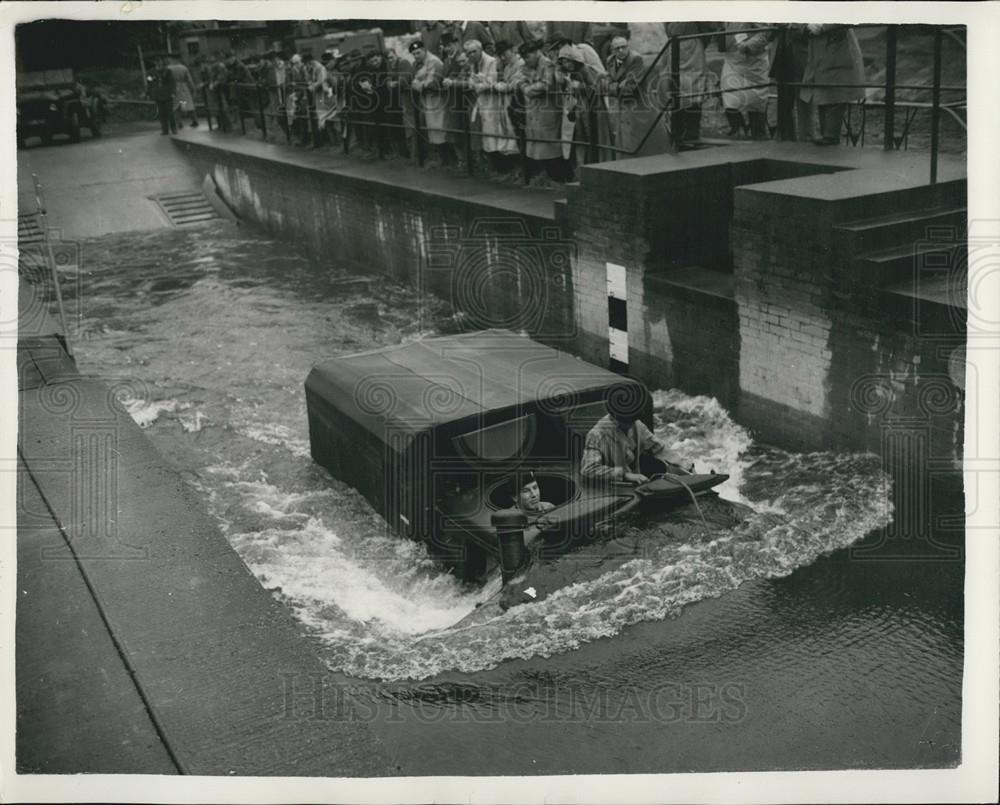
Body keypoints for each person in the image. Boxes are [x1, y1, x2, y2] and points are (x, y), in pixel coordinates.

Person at [581, 385, 689, 483]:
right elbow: (589, 469)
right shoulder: (597, 435)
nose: (630, 425)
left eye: (632, 421)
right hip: (611, 489)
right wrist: (625, 475)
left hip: (637, 483)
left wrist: (682, 463)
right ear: (614, 418)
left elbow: (658, 448)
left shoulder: (636, 425)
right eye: (626, 422)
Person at [799, 24, 865, 146]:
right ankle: (828, 137)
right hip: (819, 51)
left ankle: (830, 137)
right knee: (823, 93)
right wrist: (807, 26)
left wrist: (823, 26)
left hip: (837, 48)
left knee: (835, 93)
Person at [517, 38, 568, 182]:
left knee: (551, 146)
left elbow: (546, 85)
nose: (525, 60)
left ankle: (561, 179)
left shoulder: (547, 64)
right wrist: (526, 86)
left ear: (535, 53)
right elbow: (519, 79)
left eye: (527, 57)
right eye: (523, 58)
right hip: (535, 110)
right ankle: (549, 177)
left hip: (548, 110)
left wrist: (527, 88)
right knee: (538, 145)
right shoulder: (527, 66)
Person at [719, 22, 771, 140]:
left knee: (756, 101)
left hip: (753, 62)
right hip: (732, 60)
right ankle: (738, 127)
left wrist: (748, 45)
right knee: (729, 96)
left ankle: (758, 135)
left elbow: (766, 31)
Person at [664, 22, 713, 143]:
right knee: (676, 85)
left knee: (694, 87)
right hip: (675, 43)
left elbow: (707, 26)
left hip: (692, 44)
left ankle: (692, 130)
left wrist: (699, 42)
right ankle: (678, 129)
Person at [604, 35, 645, 154]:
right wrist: (617, 86)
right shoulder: (610, 60)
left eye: (623, 47)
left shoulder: (636, 59)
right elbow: (607, 83)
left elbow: (630, 87)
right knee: (621, 134)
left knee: (635, 136)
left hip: (637, 103)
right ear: (612, 50)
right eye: (617, 48)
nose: (621, 51)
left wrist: (614, 87)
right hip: (621, 104)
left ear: (628, 47)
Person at [167, 53, 199, 128]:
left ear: (171, 59)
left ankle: (179, 123)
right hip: (184, 87)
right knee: (188, 104)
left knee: (176, 106)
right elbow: (189, 80)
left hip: (174, 87)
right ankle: (194, 120)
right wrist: (193, 89)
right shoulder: (183, 68)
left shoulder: (168, 68)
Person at [148, 56, 177, 135]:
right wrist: (149, 92)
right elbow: (149, 82)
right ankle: (165, 129)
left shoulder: (167, 71)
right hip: (158, 94)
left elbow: (172, 82)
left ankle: (173, 128)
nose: (158, 63)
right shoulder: (151, 72)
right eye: (156, 62)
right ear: (154, 63)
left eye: (159, 61)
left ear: (162, 62)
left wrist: (173, 92)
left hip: (167, 94)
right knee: (161, 113)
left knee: (170, 112)